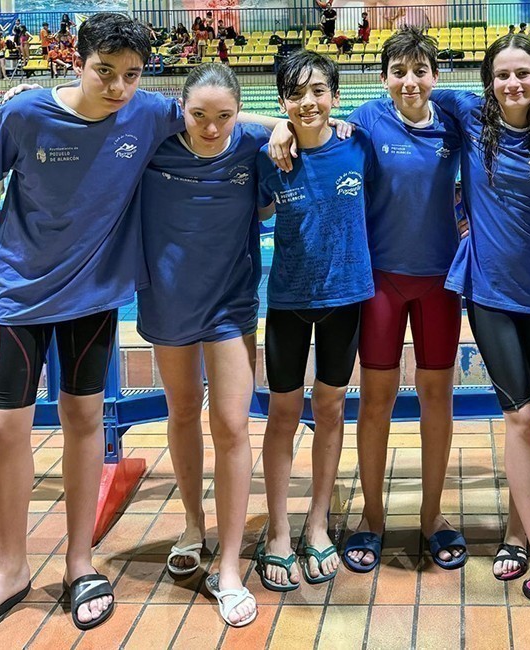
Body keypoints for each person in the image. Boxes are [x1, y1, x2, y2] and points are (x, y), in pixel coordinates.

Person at [0, 14, 187, 649]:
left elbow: (217, 111)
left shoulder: (148, 112)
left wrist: (285, 132)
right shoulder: (24, 114)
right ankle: (9, 569)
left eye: (132, 75)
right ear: (76, 62)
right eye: (106, 72)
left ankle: (80, 562)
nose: (119, 88)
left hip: (93, 295)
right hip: (20, 291)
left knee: (84, 419)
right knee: (3, 426)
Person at [430, 34, 530, 629]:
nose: (511, 85)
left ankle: (515, 532)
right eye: (501, 74)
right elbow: (411, 92)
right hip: (489, 292)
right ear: (488, 79)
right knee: (522, 416)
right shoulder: (469, 114)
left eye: (522, 74)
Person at [331, 27, 467, 573]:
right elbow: (311, 132)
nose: (410, 82)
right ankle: (373, 516)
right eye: (398, 71)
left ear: (435, 75)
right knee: (377, 398)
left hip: (438, 281)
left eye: (420, 71)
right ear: (383, 75)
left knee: (438, 396)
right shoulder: (364, 119)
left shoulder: (454, 122)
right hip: (382, 281)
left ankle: (432, 515)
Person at [137, 62, 267, 628]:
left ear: (238, 114)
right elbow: (97, 108)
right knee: (183, 410)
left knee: (233, 425)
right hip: (167, 302)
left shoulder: (252, 145)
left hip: (231, 305)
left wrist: (289, 126)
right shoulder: (155, 140)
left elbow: (299, 121)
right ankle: (194, 524)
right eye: (198, 115)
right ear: (179, 110)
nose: (210, 128)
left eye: (224, 116)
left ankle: (232, 565)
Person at [254, 50, 372, 592]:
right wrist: (276, 128)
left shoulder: (358, 146)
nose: (309, 101)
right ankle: (279, 529)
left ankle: (318, 522)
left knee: (330, 408)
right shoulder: (269, 157)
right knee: (282, 413)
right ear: (282, 102)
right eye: (297, 93)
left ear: (335, 96)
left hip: (346, 299)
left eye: (319, 90)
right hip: (287, 303)